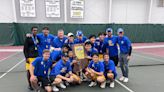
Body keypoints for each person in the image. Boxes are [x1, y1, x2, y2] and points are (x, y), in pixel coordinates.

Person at [23, 26, 39, 90]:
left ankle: (34, 83)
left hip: (36, 57)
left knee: (35, 71)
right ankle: (30, 85)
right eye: (34, 30)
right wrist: (26, 57)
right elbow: (25, 49)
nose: (35, 31)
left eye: (36, 30)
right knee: (29, 71)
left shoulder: (37, 37)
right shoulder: (28, 38)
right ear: (32, 31)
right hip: (30, 57)